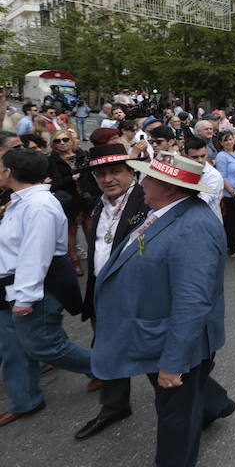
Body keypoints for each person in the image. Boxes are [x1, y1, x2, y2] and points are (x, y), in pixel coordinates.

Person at [91, 151, 235, 466]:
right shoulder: (164, 209)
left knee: (176, 417)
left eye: (148, 177)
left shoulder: (192, 227)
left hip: (172, 342)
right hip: (152, 329)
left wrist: (173, 363)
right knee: (187, 395)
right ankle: (215, 404)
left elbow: (192, 302)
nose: (141, 182)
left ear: (169, 187)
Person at [0, 148, 92, 427]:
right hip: (10, 285)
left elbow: (35, 256)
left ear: (10, 173)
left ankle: (104, 368)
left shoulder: (38, 205)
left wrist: (25, 299)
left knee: (45, 344)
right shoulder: (20, 200)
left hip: (31, 285)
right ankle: (26, 399)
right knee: (13, 346)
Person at [75, 144, 149, 441]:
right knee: (108, 352)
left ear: (132, 172)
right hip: (103, 293)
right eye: (101, 173)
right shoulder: (99, 204)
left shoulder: (149, 201)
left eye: (115, 171)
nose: (108, 179)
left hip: (138, 296)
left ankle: (209, 404)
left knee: (157, 359)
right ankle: (114, 407)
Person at [48, 128, 89, 276]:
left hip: (87, 198)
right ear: (53, 144)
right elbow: (54, 183)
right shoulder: (52, 160)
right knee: (71, 233)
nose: (62, 143)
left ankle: (97, 260)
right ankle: (75, 262)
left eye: (65, 139)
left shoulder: (81, 154)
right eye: (57, 141)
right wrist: (71, 179)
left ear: (71, 140)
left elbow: (90, 175)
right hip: (69, 201)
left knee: (91, 231)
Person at [215, 131, 235, 257]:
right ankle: (234, 249)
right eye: (225, 140)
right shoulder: (221, 156)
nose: (228, 142)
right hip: (231, 194)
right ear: (221, 143)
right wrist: (233, 193)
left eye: (230, 139)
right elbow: (222, 177)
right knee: (232, 222)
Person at [182, 137, 224, 222]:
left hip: (209, 223)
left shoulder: (214, 176)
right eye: (195, 157)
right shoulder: (182, 170)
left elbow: (202, 202)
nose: (200, 160)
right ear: (186, 156)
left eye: (202, 156)